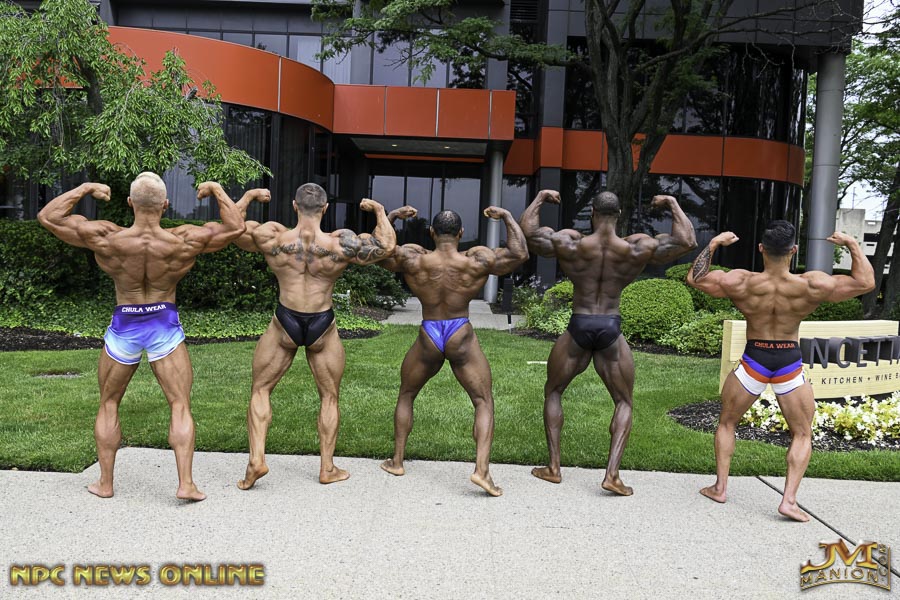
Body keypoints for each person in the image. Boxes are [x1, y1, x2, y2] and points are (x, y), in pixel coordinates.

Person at [37, 174, 247, 501]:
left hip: (125, 324)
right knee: (179, 404)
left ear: (130, 203)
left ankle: (105, 484)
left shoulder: (108, 237)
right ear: (165, 205)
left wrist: (85, 189)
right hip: (164, 323)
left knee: (109, 403)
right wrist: (217, 189)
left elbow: (48, 217)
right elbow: (235, 227)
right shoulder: (182, 240)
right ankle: (185, 484)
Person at [687, 222, 874, 521]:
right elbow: (865, 283)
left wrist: (714, 244)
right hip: (788, 360)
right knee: (802, 433)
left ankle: (720, 487)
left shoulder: (741, 281)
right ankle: (788, 501)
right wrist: (851, 244)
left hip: (754, 358)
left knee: (727, 423)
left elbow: (695, 278)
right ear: (794, 250)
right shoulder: (811, 284)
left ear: (761, 248)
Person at [520, 190, 697, 495]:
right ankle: (612, 475)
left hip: (579, 324)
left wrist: (540, 198)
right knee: (624, 401)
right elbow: (687, 241)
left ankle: (553, 468)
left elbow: (529, 233)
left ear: (592, 212)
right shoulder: (636, 247)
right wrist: (671, 203)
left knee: (554, 391)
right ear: (619, 215)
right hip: (609, 326)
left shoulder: (571, 243)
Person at [233, 184, 396, 490]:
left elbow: (234, 227)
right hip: (322, 322)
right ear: (325, 209)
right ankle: (327, 468)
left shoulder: (274, 236)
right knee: (329, 397)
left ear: (295, 206)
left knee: (261, 390)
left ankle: (256, 460)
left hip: (285, 319)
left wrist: (249, 197)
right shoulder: (340, 242)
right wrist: (378, 210)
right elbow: (385, 246)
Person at [379, 206, 529, 496]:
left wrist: (391, 217)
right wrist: (508, 217)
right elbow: (519, 253)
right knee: (483, 401)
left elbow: (381, 251)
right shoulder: (476, 259)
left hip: (430, 331)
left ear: (431, 232)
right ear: (461, 233)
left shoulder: (414, 258)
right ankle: (481, 471)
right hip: (460, 331)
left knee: (407, 394)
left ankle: (397, 461)